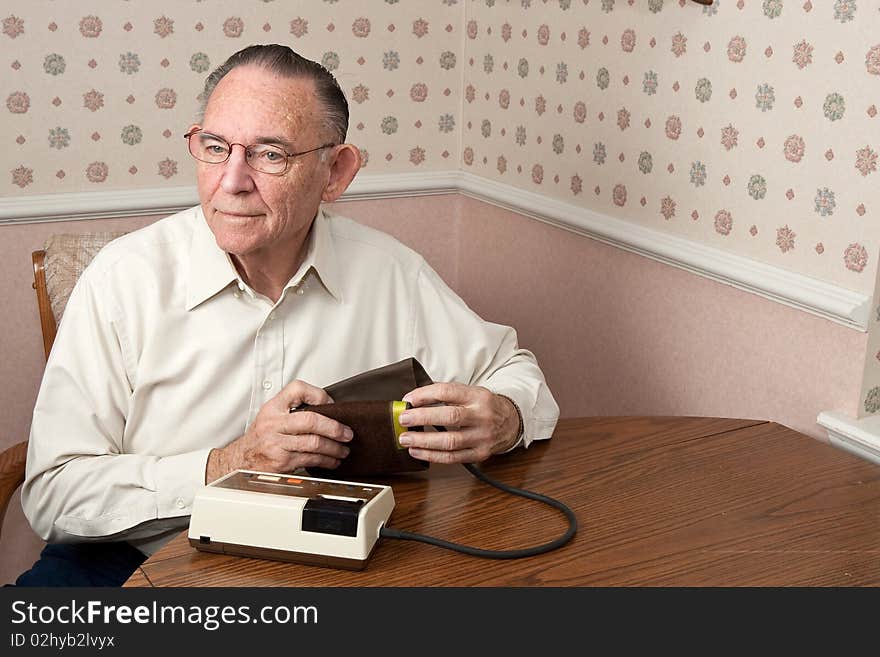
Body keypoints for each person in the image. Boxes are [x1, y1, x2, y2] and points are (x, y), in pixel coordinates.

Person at [14, 44, 559, 586]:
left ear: (336, 172)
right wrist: (226, 465)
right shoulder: (122, 279)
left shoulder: (391, 271)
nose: (231, 180)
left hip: (330, 563)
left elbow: (515, 372)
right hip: (132, 556)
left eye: (269, 154)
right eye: (214, 147)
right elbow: (52, 491)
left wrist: (506, 418)